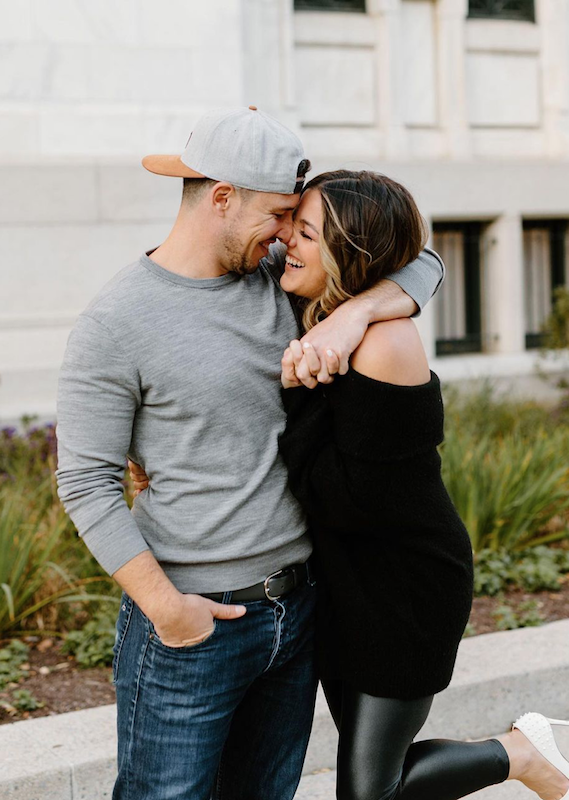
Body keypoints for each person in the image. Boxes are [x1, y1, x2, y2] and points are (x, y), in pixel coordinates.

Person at [55, 106, 446, 800]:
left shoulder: (272, 273)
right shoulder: (116, 321)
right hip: (191, 625)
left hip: (294, 616)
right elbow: (86, 482)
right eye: (278, 215)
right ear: (223, 198)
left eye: (298, 224)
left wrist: (355, 312)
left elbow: (422, 261)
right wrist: (168, 610)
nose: (285, 236)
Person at [274, 170, 569, 800]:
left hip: (404, 588)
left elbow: (350, 501)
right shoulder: (317, 312)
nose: (284, 243)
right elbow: (423, 265)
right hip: (345, 584)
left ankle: (515, 753)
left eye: (304, 232)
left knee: (368, 791)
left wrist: (294, 397)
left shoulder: (384, 344)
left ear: (348, 253)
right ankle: (516, 752)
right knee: (375, 765)